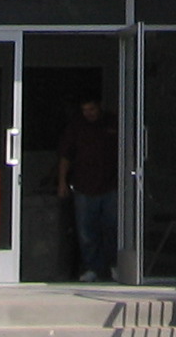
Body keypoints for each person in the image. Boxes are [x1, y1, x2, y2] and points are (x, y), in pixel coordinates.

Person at [55, 96, 119, 282]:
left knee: (112, 229)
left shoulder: (113, 123)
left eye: (91, 109)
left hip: (111, 185)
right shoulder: (77, 127)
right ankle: (93, 268)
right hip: (83, 187)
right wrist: (62, 182)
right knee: (86, 231)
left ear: (99, 107)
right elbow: (65, 156)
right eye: (84, 110)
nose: (88, 114)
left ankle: (115, 266)